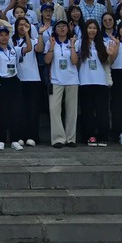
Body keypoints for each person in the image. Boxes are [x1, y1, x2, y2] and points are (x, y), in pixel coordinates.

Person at [77, 19, 117, 147]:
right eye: (90, 28)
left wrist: (111, 54)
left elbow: (108, 63)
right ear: (85, 30)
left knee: (102, 111)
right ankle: (89, 136)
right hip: (85, 81)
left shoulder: (104, 43)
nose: (92, 30)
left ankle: (103, 136)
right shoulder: (79, 43)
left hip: (101, 82)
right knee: (87, 111)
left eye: (94, 28)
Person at [0, 25, 29, 151]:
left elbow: (29, 48)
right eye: (0, 35)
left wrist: (27, 33)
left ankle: (14, 139)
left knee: (15, 111)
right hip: (1, 82)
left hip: (13, 81)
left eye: (6, 35)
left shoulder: (14, 50)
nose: (4, 37)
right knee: (2, 111)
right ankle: (1, 139)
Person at [44, 20, 79, 148]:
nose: (62, 28)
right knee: (54, 109)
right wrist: (52, 47)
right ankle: (58, 138)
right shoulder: (50, 42)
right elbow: (47, 61)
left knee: (71, 110)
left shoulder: (74, 41)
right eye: (59, 26)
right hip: (56, 79)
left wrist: (73, 46)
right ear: (55, 29)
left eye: (64, 26)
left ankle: (71, 138)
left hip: (72, 79)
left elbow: (75, 61)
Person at [14, 17, 43, 146]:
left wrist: (33, 33)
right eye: (20, 25)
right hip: (18, 78)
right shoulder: (11, 40)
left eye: (25, 25)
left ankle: (33, 136)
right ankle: (21, 135)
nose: (22, 27)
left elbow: (39, 49)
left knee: (33, 109)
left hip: (33, 78)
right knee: (20, 110)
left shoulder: (33, 40)